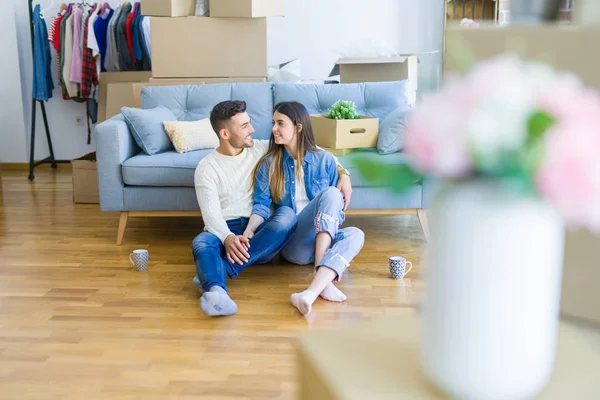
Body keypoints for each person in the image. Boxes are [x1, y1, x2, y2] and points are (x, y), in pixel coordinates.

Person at [192, 100, 353, 317]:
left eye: (249, 123)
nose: (253, 129)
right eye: (244, 126)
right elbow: (211, 216)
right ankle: (216, 291)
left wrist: (343, 173)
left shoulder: (258, 147)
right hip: (225, 228)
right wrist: (229, 237)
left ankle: (219, 270)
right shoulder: (206, 168)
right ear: (225, 134)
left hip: (260, 231)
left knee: (286, 216)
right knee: (201, 241)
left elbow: (310, 148)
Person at [249, 102, 365, 316]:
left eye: (280, 123)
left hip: (323, 239)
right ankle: (322, 272)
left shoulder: (325, 161)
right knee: (331, 193)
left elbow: (336, 212)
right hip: (296, 246)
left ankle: (311, 292)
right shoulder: (269, 164)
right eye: (273, 123)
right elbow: (261, 207)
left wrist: (344, 173)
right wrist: (248, 234)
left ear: (299, 127)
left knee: (356, 235)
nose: (274, 128)